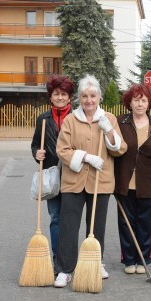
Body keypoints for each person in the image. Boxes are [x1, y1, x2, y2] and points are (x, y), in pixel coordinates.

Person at [53, 75, 127, 288]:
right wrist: (85, 157)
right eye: (84, 96)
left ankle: (95, 262)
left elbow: (120, 149)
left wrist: (109, 130)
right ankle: (65, 269)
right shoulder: (71, 120)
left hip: (100, 182)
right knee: (68, 226)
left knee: (97, 226)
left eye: (93, 96)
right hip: (73, 181)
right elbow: (62, 150)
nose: (89, 100)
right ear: (79, 98)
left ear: (99, 97)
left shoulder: (109, 118)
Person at [114, 84, 151, 274]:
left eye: (143, 100)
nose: (139, 104)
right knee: (126, 222)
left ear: (149, 103)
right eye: (136, 100)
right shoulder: (119, 123)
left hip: (148, 183)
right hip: (124, 181)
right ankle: (129, 259)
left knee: (146, 222)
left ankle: (144, 258)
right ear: (129, 102)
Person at [31, 75, 74, 263]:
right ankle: (58, 258)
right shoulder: (43, 119)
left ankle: (69, 256)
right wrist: (36, 153)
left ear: (69, 97)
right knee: (55, 217)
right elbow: (34, 144)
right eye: (56, 94)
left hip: (73, 175)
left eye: (64, 94)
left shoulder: (77, 117)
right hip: (51, 176)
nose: (60, 97)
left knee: (70, 220)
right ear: (51, 97)